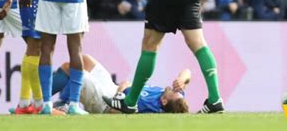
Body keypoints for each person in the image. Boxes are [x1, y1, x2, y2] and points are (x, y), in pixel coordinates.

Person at [52, 54, 190, 114]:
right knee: (85, 59)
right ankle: (51, 100)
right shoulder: (173, 98)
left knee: (73, 69)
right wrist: (182, 79)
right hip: (112, 87)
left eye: (174, 91)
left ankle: (40, 99)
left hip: (106, 102)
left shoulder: (150, 107)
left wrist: (121, 90)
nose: (174, 88)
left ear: (164, 101)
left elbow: (116, 112)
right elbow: (187, 71)